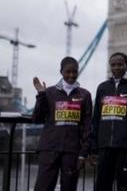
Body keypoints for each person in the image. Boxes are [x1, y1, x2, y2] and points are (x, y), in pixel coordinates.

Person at [32, 56, 92, 191]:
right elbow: (37, 118)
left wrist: (83, 153)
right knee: (43, 187)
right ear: (61, 72)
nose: (71, 75)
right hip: (49, 149)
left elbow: (87, 126)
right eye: (68, 71)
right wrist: (41, 95)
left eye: (75, 71)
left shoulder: (85, 95)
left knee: (69, 188)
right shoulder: (49, 92)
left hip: (72, 151)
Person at [91, 52, 127, 191]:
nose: (116, 67)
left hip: (125, 149)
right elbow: (96, 119)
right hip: (104, 147)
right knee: (102, 186)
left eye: (120, 64)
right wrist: (94, 147)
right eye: (113, 65)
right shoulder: (102, 88)